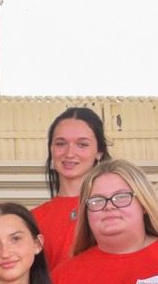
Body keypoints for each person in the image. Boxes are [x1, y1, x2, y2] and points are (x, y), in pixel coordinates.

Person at [32, 107, 107, 260]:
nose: (70, 153)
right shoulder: (32, 219)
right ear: (51, 149)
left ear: (99, 152)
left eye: (82, 144)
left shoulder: (115, 209)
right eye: (61, 144)